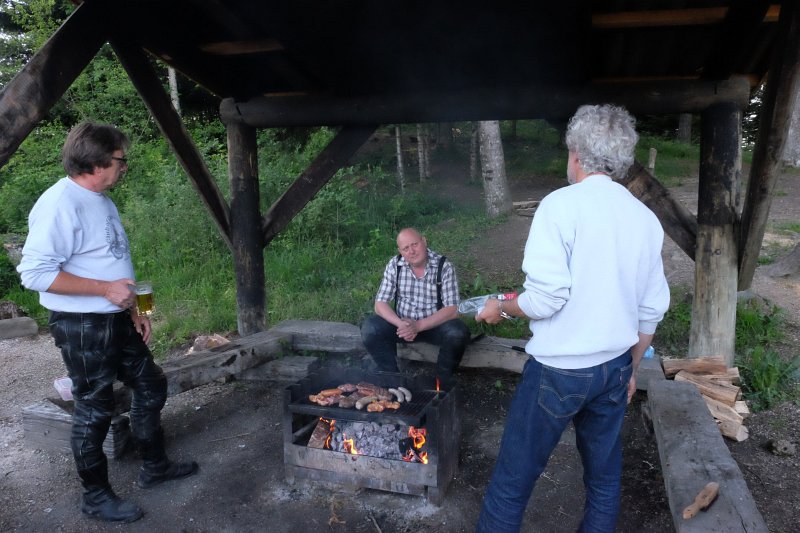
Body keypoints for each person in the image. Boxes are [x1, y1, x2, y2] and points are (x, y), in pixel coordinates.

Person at [474, 104, 670, 532]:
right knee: (603, 481)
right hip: (615, 368)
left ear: (576, 153)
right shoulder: (645, 218)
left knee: (511, 484)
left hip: (558, 373)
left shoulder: (559, 206)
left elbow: (545, 299)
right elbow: (651, 309)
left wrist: (501, 308)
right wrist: (631, 368)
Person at [17, 122, 198, 523]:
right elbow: (34, 274)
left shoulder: (100, 199)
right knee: (93, 410)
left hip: (114, 318)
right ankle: (96, 497)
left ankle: (155, 466)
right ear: (95, 162)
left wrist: (133, 309)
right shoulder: (59, 203)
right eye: (120, 160)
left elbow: (108, 261)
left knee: (151, 384)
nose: (124, 167)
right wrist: (104, 290)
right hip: (82, 325)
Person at [361, 227, 470, 387]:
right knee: (370, 327)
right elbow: (380, 304)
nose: (411, 251)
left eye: (415, 244)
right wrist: (402, 325)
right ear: (401, 251)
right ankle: (392, 381)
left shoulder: (444, 266)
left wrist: (418, 326)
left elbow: (452, 309)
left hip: (433, 327)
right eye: (406, 248)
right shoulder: (395, 265)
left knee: (458, 332)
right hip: (402, 327)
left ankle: (441, 384)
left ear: (424, 242)